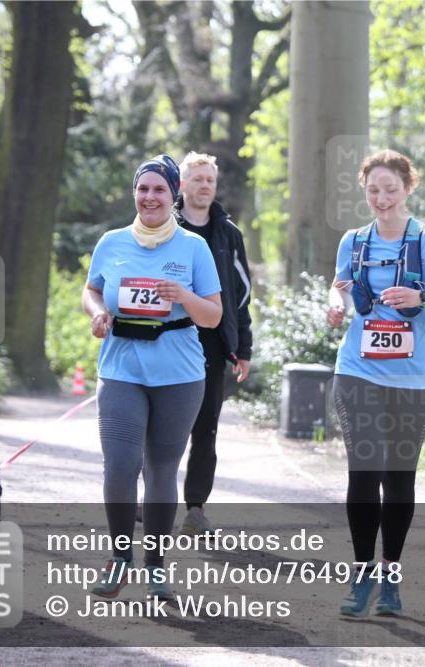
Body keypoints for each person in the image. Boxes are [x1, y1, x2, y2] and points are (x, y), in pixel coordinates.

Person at [326, 149, 425, 617]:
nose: (381, 198)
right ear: (364, 190)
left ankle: (390, 575)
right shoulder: (353, 240)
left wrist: (422, 296)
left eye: (390, 189)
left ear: (408, 188)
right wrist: (333, 302)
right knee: (364, 472)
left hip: (412, 379)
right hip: (358, 371)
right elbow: (339, 284)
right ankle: (362, 572)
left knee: (398, 478)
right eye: (373, 190)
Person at [82, 154, 222, 601]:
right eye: (143, 189)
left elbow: (214, 316)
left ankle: (156, 567)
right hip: (122, 368)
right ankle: (119, 558)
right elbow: (92, 288)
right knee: (121, 466)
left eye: (159, 189)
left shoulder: (193, 248)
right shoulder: (112, 242)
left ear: (174, 194)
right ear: (134, 194)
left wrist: (183, 294)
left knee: (161, 470)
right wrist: (98, 313)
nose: (150, 197)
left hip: (179, 375)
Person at [172, 152, 254, 535]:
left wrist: (243, 349)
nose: (204, 185)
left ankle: (196, 509)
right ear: (182, 185)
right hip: (166, 342)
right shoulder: (163, 226)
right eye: (197, 179)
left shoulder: (228, 234)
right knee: (161, 425)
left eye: (210, 180)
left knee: (205, 430)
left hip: (212, 348)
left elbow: (241, 297)